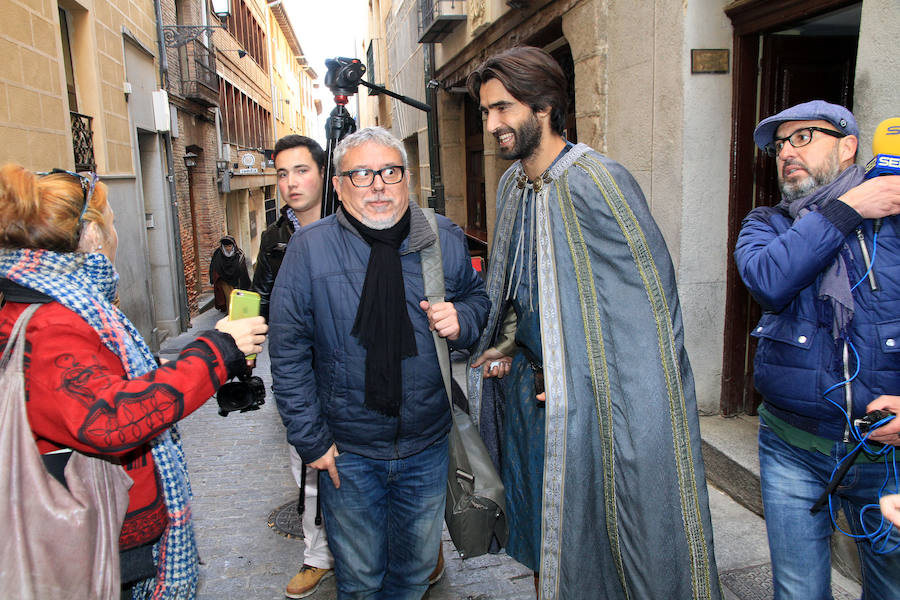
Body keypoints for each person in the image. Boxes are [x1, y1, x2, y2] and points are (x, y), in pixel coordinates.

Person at [465, 46, 720, 599]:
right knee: (541, 538)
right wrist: (505, 342)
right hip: (529, 411)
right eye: (486, 112)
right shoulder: (512, 186)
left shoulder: (599, 182)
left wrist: (577, 378)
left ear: (545, 107)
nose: (493, 125)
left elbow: (646, 313)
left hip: (594, 413)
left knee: (600, 544)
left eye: (503, 109)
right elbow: (517, 289)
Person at [0, 164, 268, 598]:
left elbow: (94, 383)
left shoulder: (62, 303)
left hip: (110, 532)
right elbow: (108, 419)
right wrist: (216, 350)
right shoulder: (52, 320)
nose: (115, 233)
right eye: (112, 222)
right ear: (91, 236)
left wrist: (170, 365)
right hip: (97, 543)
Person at [269, 126, 489, 599]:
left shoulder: (441, 237)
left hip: (427, 446)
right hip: (347, 454)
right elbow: (287, 354)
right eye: (362, 174)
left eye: (390, 172)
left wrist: (463, 318)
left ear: (407, 177)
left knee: (413, 576)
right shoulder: (310, 250)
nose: (378, 186)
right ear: (339, 185)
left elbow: (477, 299)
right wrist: (311, 441)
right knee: (360, 579)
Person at [734, 100, 900, 598]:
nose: (786, 152)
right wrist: (847, 209)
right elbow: (770, 281)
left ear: (849, 146)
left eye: (803, 138)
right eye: (780, 145)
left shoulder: (893, 223)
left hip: (886, 454)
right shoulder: (766, 225)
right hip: (793, 448)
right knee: (798, 590)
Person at [251, 134, 336, 598]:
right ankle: (317, 555)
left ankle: (415, 548)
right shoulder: (274, 237)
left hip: (348, 367)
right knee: (305, 468)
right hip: (299, 372)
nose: (290, 183)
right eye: (281, 173)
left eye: (301, 170)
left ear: (323, 173)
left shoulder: (350, 223)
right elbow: (262, 298)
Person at [209, 235, 251, 312]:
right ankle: (231, 313)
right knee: (229, 297)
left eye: (229, 246)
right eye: (226, 246)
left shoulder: (239, 255)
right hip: (223, 279)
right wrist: (213, 278)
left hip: (236, 279)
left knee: (236, 296)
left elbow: (243, 269)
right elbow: (213, 266)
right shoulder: (218, 254)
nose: (228, 248)